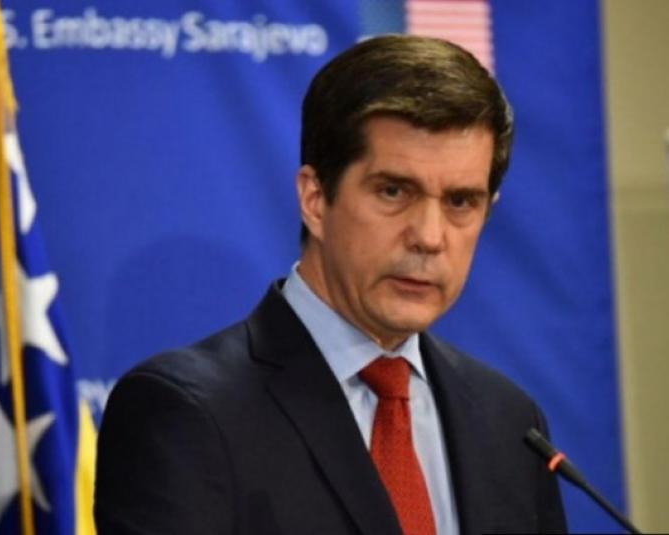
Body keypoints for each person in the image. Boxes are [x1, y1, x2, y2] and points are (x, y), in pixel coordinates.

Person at [94, 34, 567, 535]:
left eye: (460, 202)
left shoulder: (510, 422)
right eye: (393, 191)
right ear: (315, 200)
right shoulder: (187, 412)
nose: (430, 237)